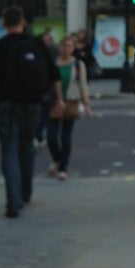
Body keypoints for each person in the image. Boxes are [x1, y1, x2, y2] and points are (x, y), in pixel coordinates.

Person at [0, 5, 63, 218]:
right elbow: (54, 75)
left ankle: (13, 200)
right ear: (23, 22)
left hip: (7, 103)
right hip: (33, 104)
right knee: (27, 146)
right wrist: (58, 100)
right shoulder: (37, 44)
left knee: (9, 149)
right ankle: (26, 192)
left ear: (3, 24)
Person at [47, 34, 92, 181]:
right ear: (59, 47)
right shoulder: (53, 63)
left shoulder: (78, 65)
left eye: (69, 46)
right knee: (51, 136)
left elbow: (83, 85)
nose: (66, 49)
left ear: (73, 48)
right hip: (54, 102)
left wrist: (86, 104)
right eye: (64, 46)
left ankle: (63, 168)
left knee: (65, 137)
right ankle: (57, 159)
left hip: (71, 102)